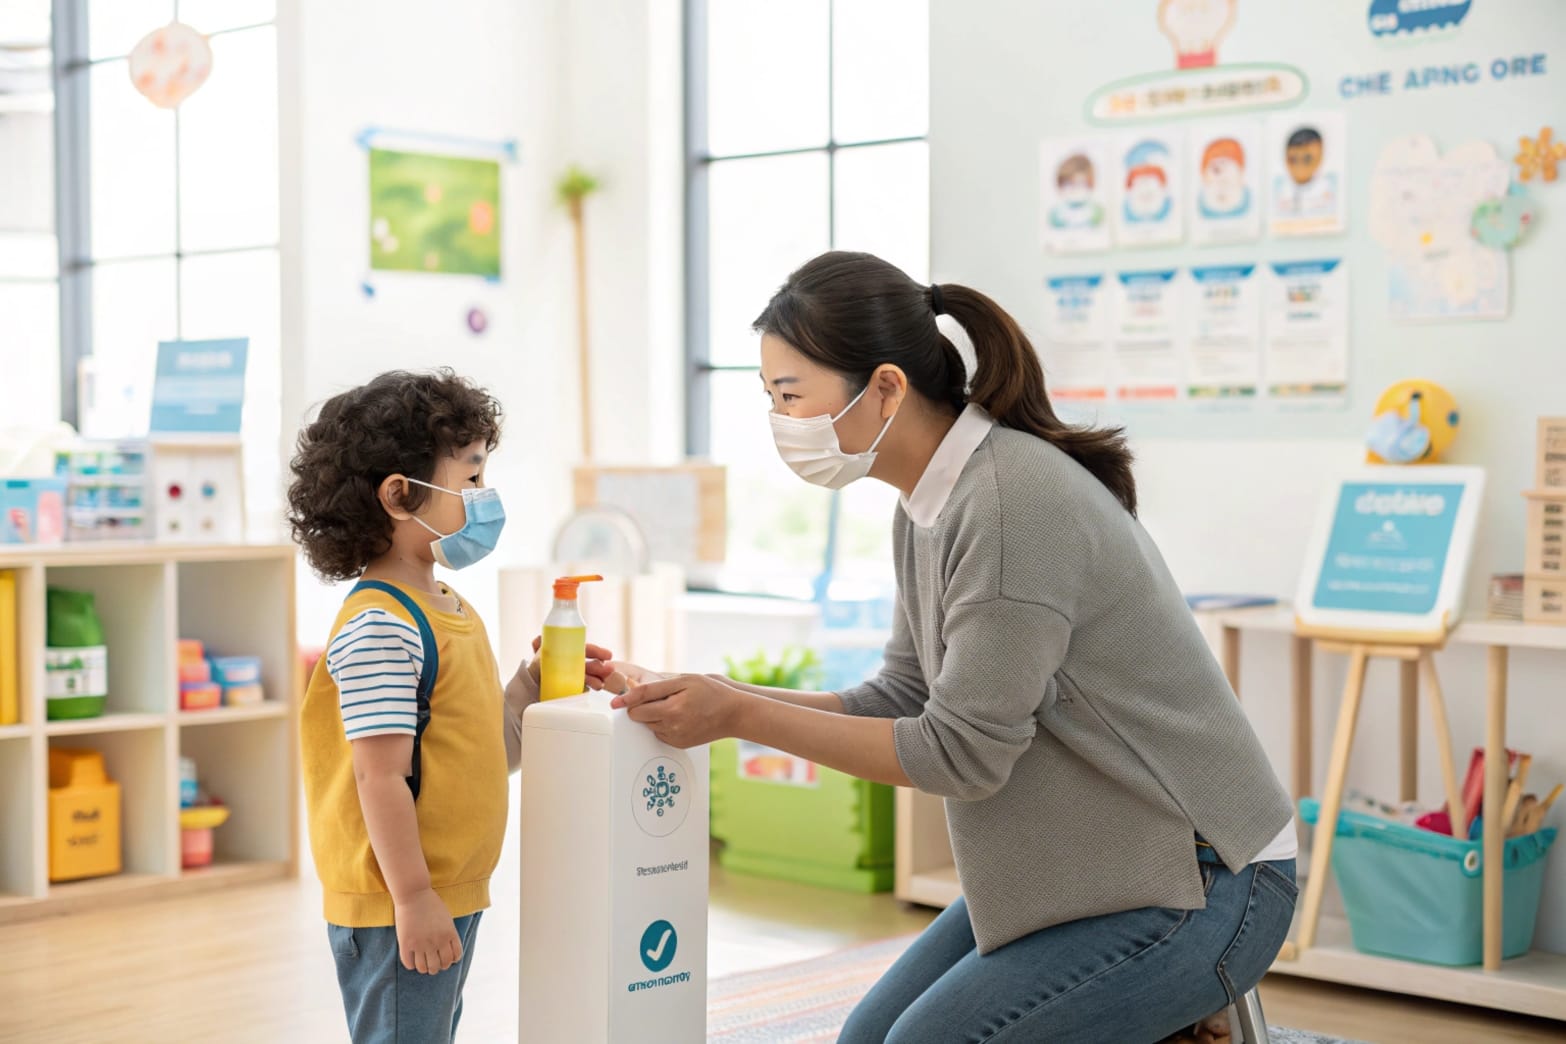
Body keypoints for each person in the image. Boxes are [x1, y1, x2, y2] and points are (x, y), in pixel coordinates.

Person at [613, 253, 1298, 1042]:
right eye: (771, 398)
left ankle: (1174, 1005)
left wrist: (736, 715)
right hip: (1085, 867)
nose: (781, 422)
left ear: (886, 388)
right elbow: (903, 698)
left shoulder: (1008, 503)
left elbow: (961, 755)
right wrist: (710, 694)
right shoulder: (927, 504)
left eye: (792, 395)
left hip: (1206, 881)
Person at [288, 369, 613, 1043]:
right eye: (469, 479)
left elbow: (473, 751)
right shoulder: (381, 625)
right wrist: (412, 897)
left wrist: (529, 690)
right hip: (400, 898)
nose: (483, 497)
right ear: (400, 496)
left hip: (448, 887)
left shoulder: (448, 609)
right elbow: (378, 777)